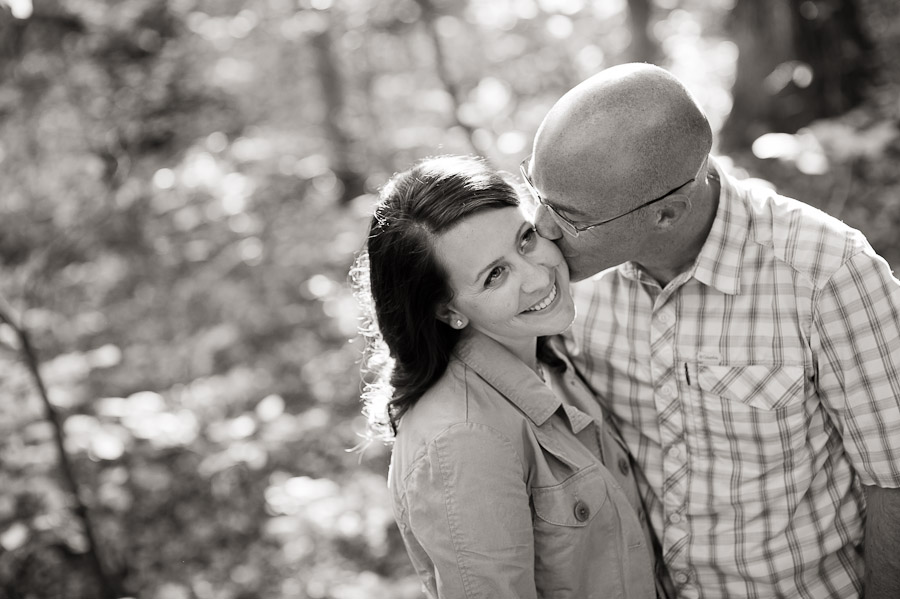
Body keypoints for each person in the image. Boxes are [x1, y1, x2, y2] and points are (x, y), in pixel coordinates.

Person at [521, 62, 900, 599]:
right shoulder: (555, 281)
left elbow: (894, 477)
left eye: (570, 216)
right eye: (534, 190)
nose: (540, 227)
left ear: (666, 215)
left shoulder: (828, 273)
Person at [351, 155, 667, 598]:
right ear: (448, 311)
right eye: (495, 275)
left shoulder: (550, 354)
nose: (538, 277)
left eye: (526, 239)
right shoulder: (462, 441)